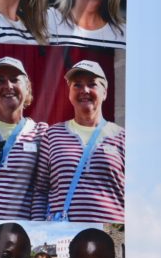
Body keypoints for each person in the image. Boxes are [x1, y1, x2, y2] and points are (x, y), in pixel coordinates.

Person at [32, 60, 125, 222]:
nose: (85, 90)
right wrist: (38, 227)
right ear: (69, 93)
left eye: (92, 84)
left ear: (105, 92)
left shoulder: (123, 137)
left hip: (111, 231)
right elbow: (40, 191)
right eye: (77, 85)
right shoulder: (52, 135)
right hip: (64, 231)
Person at [0, 56, 48, 219]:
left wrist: (36, 225)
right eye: (0, 81)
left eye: (15, 80)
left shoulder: (41, 133)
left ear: (27, 87)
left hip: (17, 228)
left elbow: (42, 190)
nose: (8, 86)